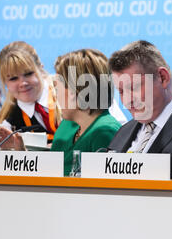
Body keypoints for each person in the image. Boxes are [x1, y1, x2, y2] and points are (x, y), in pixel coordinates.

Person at [107, 40, 172, 178]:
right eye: (121, 91)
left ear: (162, 78)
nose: (127, 102)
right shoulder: (124, 131)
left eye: (134, 88)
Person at [51, 48, 121, 176]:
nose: (56, 96)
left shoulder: (105, 132)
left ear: (73, 92)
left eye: (57, 89)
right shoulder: (66, 126)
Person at [0, 41, 62, 145]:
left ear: (41, 69)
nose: (22, 83)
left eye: (28, 74)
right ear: (5, 82)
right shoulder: (9, 121)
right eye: (13, 78)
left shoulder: (68, 92)